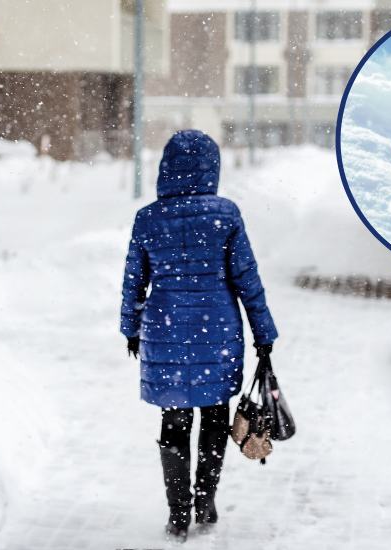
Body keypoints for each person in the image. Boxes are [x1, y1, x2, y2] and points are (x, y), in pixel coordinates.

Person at [120, 130, 278, 542]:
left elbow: (134, 282)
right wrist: (264, 332)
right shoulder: (225, 214)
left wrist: (130, 328)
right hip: (217, 330)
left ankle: (178, 512)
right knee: (213, 415)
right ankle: (205, 497)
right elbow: (248, 279)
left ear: (165, 168)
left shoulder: (148, 218)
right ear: (213, 167)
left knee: (174, 419)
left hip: (165, 328)